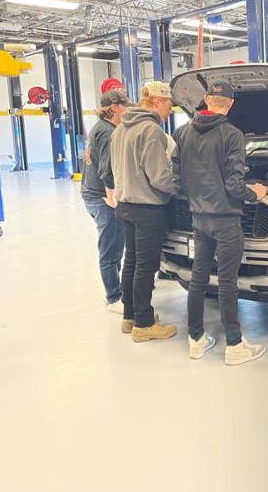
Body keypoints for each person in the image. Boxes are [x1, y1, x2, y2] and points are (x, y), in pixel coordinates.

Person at [172, 80, 268, 366]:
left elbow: (177, 181)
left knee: (198, 278)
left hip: (199, 220)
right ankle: (235, 345)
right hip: (227, 220)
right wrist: (256, 193)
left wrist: (197, 199)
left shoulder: (182, 133)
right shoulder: (232, 135)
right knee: (227, 282)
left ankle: (196, 340)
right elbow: (234, 185)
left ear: (206, 101)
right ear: (231, 104)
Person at [110, 81, 178, 342]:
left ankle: (130, 317)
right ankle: (145, 324)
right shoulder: (151, 130)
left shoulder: (121, 129)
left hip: (125, 204)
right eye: (169, 104)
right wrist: (180, 187)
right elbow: (160, 177)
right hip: (148, 208)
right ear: (158, 102)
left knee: (131, 262)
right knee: (146, 267)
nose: (170, 110)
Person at [81, 89, 129, 314]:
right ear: (115, 108)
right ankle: (114, 297)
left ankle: (116, 290)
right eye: (124, 105)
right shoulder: (110, 132)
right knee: (111, 249)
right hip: (102, 198)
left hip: (90, 193)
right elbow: (107, 169)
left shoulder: (97, 128)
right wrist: (112, 198)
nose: (127, 108)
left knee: (112, 244)